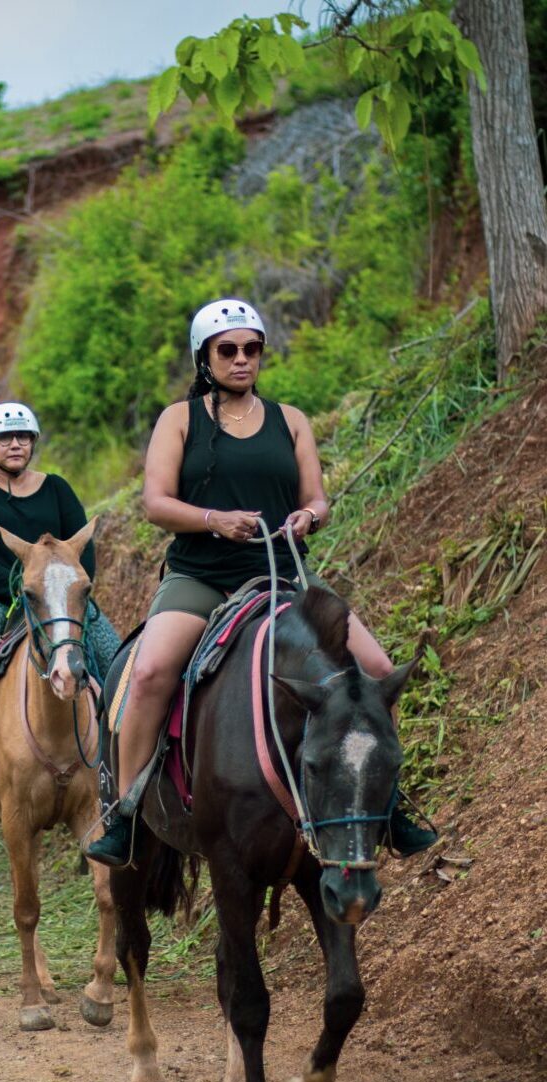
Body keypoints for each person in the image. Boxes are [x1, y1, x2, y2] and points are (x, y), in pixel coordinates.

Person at [84, 298, 438, 866]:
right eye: (228, 350)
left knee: (376, 671)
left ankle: (388, 804)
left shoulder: (290, 420)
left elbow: (317, 498)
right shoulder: (180, 419)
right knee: (148, 672)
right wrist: (214, 520)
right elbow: (155, 502)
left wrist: (310, 517)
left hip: (283, 574)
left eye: (252, 349)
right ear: (205, 356)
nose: (242, 359)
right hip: (201, 574)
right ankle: (124, 814)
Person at [0, 402, 123, 822]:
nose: (15, 444)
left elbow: (80, 554)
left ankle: (126, 763)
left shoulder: (57, 488)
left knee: (118, 658)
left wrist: (70, 593)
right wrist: (17, 587)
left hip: (57, 603)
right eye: (4, 438)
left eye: (23, 437)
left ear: (33, 442)